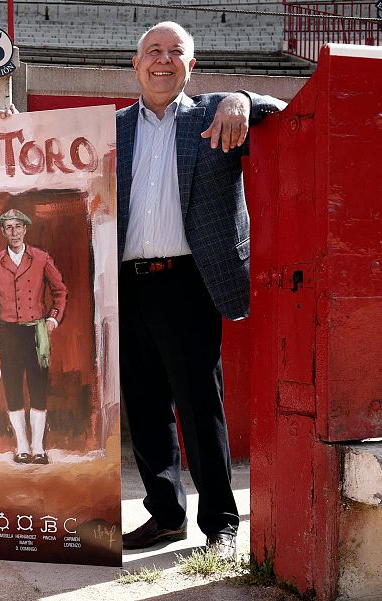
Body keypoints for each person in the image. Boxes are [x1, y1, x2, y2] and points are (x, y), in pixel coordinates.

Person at [117, 22, 285, 559]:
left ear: (192, 64)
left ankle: (220, 522)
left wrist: (242, 96)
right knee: (143, 408)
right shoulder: (109, 127)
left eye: (175, 53)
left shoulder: (216, 112)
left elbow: (283, 112)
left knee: (198, 406)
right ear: (135, 64)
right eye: (152, 52)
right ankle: (165, 515)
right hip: (122, 283)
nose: (162, 61)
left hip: (188, 282)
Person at [0, 209, 68, 465]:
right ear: (2, 232)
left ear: (25, 229)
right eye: (9, 228)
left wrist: (52, 319)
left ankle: (38, 447)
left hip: (36, 331)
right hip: (8, 332)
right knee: (12, 386)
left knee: (38, 386)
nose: (14, 232)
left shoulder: (40, 258)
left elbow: (61, 291)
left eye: (18, 226)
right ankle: (21, 445)